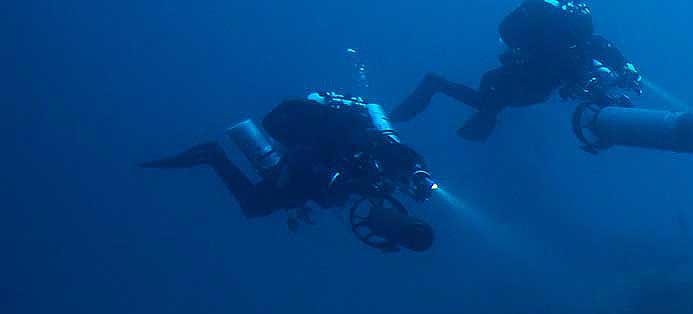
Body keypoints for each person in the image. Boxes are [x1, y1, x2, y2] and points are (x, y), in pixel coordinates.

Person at [140, 92, 438, 252]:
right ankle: (212, 154)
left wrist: (417, 177)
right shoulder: (370, 146)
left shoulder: (384, 153)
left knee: (257, 205)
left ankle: (212, 155)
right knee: (254, 205)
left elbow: (400, 161)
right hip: (308, 168)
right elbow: (333, 175)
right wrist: (364, 186)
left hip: (316, 172)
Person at [390, 0, 643, 141]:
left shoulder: (575, 43)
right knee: (486, 103)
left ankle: (439, 86)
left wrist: (625, 70)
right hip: (513, 82)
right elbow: (596, 51)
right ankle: (435, 84)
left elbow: (597, 52)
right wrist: (623, 71)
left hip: (528, 84)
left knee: (488, 104)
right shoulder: (562, 40)